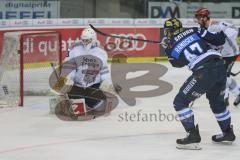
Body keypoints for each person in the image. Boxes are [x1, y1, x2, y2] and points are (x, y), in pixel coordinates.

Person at [163, 18, 235, 150]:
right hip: (220, 66)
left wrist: (167, 48)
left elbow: (177, 63)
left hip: (204, 71)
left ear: (169, 31)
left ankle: (192, 136)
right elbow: (219, 41)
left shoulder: (171, 44)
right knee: (217, 102)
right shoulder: (195, 30)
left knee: (180, 102)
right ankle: (227, 133)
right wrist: (223, 32)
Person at [53, 27, 119, 119]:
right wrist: (66, 79)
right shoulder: (74, 51)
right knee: (78, 107)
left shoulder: (101, 53)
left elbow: (104, 70)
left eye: (87, 40)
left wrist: (106, 81)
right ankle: (65, 102)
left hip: (93, 85)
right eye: (83, 40)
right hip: (77, 85)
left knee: (91, 105)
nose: (85, 42)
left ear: (93, 39)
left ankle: (102, 102)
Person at [195, 8, 240, 107]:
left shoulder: (217, 25)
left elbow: (234, 30)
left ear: (205, 18)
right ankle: (238, 93)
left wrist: (223, 35)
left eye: (198, 17)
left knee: (223, 76)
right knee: (222, 76)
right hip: (220, 55)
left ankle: (225, 99)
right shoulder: (203, 29)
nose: (197, 20)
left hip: (230, 54)